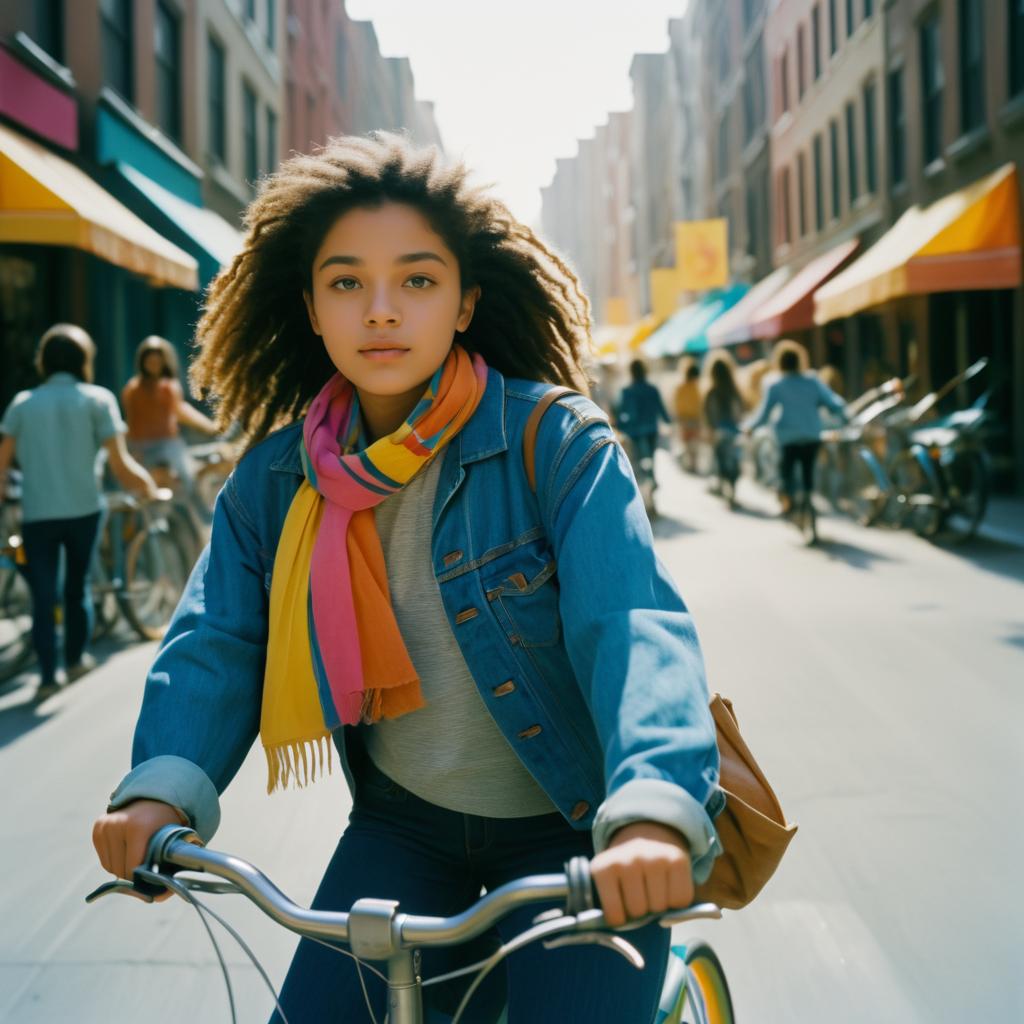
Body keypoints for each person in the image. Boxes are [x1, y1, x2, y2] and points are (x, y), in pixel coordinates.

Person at [90, 134, 722, 1024]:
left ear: (465, 301)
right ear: (310, 305)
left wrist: (653, 809)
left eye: (417, 280)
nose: (380, 310)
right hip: (404, 828)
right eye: (346, 282)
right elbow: (217, 639)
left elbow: (632, 625)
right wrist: (160, 790)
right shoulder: (275, 481)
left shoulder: (555, 444)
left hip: (574, 832)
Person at [0, 325, 157, 697]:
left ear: (45, 361)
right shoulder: (97, 399)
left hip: (37, 513)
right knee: (76, 587)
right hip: (85, 510)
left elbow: (2, 464)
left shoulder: (23, 403)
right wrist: (149, 486)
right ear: (83, 360)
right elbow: (120, 464)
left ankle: (47, 678)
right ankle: (75, 661)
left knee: (42, 595)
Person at [121, 336, 219, 521]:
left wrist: (209, 427)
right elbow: (132, 421)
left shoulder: (169, 387)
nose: (154, 365)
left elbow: (180, 410)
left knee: (187, 480)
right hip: (143, 447)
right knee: (140, 491)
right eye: (150, 361)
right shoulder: (133, 389)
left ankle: (205, 516)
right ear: (143, 362)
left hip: (168, 445)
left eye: (158, 361)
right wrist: (133, 452)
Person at [744, 339, 846, 514]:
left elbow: (764, 413)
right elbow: (834, 403)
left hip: (787, 436)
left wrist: (750, 427)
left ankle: (787, 503)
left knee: (786, 471)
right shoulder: (812, 381)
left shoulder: (775, 384)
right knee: (808, 470)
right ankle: (808, 498)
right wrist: (844, 416)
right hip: (812, 434)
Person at [614, 358, 671, 493]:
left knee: (638, 461)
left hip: (634, 432)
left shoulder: (627, 391)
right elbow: (661, 409)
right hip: (651, 429)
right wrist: (668, 421)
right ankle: (652, 479)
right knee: (651, 458)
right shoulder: (652, 389)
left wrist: (619, 426)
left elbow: (622, 413)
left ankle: (643, 486)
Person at [702, 353, 745, 507]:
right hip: (734, 431)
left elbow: (708, 413)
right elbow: (740, 410)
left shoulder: (711, 392)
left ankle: (725, 488)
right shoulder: (734, 390)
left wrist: (711, 429)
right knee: (734, 460)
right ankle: (732, 489)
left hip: (719, 431)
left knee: (721, 460)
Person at [673, 358, 703, 473]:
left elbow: (677, 405)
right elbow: (699, 404)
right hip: (694, 420)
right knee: (694, 445)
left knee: (688, 444)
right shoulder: (695, 388)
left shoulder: (680, 388)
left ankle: (690, 464)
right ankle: (693, 464)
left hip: (684, 420)